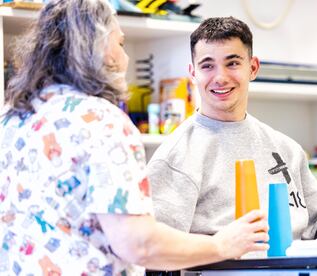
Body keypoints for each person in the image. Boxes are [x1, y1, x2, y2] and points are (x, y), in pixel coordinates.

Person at [0, 3, 270, 275]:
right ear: (98, 46)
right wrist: (223, 245)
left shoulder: (10, 120)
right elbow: (140, 245)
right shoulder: (101, 121)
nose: (125, 58)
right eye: (120, 43)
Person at [147, 16, 317, 241]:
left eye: (232, 63)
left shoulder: (286, 149)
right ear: (193, 73)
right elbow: (158, 246)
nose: (220, 77)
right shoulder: (175, 156)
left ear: (252, 68)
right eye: (207, 66)